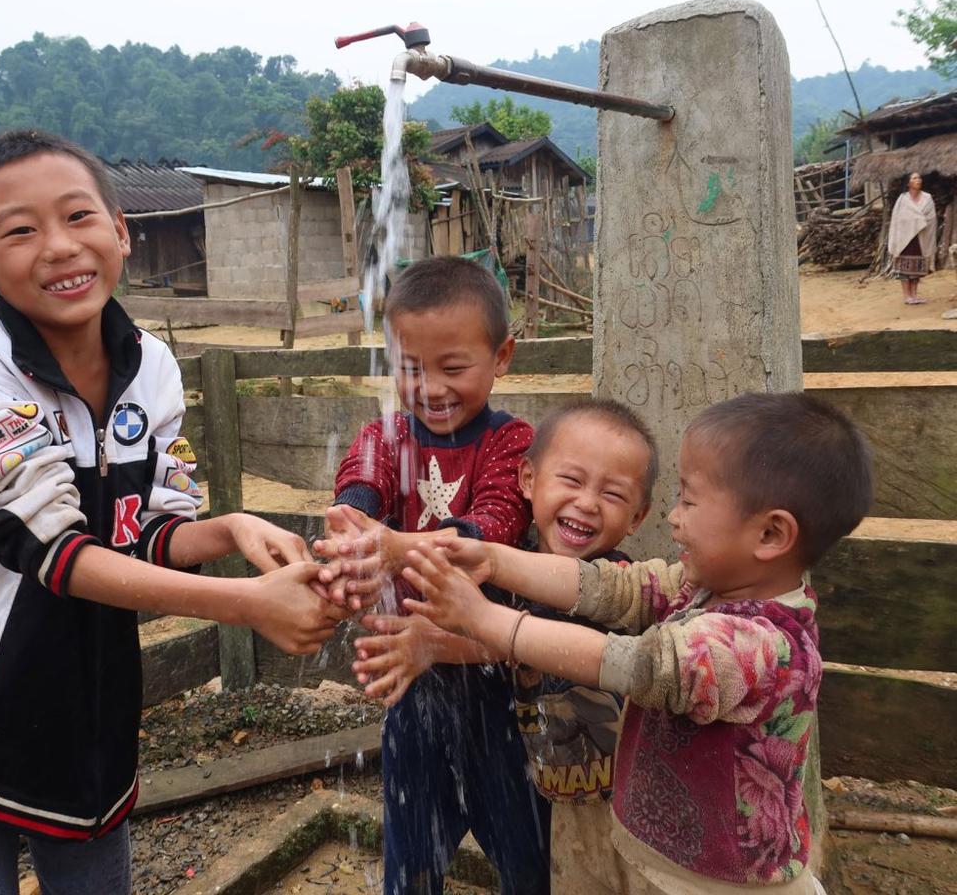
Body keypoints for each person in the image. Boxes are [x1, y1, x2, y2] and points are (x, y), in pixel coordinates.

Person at [0, 129, 348, 895]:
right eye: (20, 231)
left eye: (78, 217)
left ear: (122, 232)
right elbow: (57, 555)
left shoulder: (153, 366)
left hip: (94, 724)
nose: (59, 247)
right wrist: (245, 604)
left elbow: (145, 533)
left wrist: (233, 529)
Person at [397, 392, 872, 895]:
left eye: (689, 500)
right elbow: (610, 587)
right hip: (649, 850)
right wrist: (493, 558)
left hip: (714, 883)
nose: (672, 517)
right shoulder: (704, 591)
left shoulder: (758, 645)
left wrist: (488, 620)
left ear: (771, 534)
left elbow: (639, 665)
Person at [313, 255, 550, 895]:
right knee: (411, 852)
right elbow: (359, 482)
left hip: (501, 687)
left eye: (453, 367)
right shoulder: (387, 435)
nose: (431, 388)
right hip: (412, 688)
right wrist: (352, 527)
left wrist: (394, 548)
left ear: (501, 356)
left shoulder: (512, 443)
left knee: (529, 855)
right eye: (411, 368)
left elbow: (493, 524)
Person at [508, 400, 656, 895]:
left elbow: (510, 635)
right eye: (571, 481)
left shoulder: (614, 583)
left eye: (612, 494)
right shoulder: (515, 564)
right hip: (564, 801)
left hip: (631, 809)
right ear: (529, 480)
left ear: (638, 517)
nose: (588, 502)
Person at [888, 172, 937, 305]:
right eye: (915, 178)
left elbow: (931, 218)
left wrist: (919, 222)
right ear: (908, 183)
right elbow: (897, 219)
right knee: (904, 269)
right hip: (905, 238)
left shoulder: (927, 198)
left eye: (919, 178)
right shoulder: (903, 199)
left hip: (921, 237)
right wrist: (913, 222)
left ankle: (914, 295)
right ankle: (906, 296)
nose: (918, 180)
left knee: (918, 267)